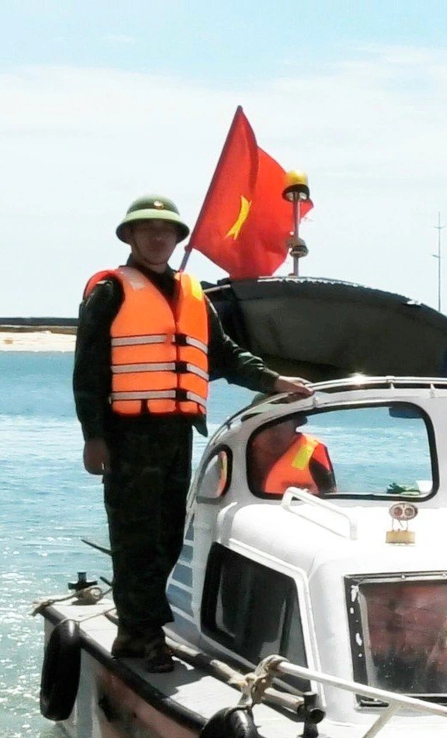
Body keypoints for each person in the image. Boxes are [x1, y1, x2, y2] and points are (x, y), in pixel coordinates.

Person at [74, 194, 314, 672]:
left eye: (167, 231)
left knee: (166, 538)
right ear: (130, 237)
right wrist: (93, 435)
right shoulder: (111, 291)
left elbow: (224, 355)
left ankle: (135, 631)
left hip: (176, 433)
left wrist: (273, 381)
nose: (158, 238)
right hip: (126, 434)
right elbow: (89, 371)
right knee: (134, 537)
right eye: (148, 231)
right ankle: (144, 636)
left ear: (178, 239)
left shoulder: (193, 294)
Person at [249, 414, 336, 495]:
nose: (274, 431)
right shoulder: (241, 452)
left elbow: (332, 498)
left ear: (294, 426)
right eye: (266, 425)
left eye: (282, 423)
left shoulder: (308, 451)